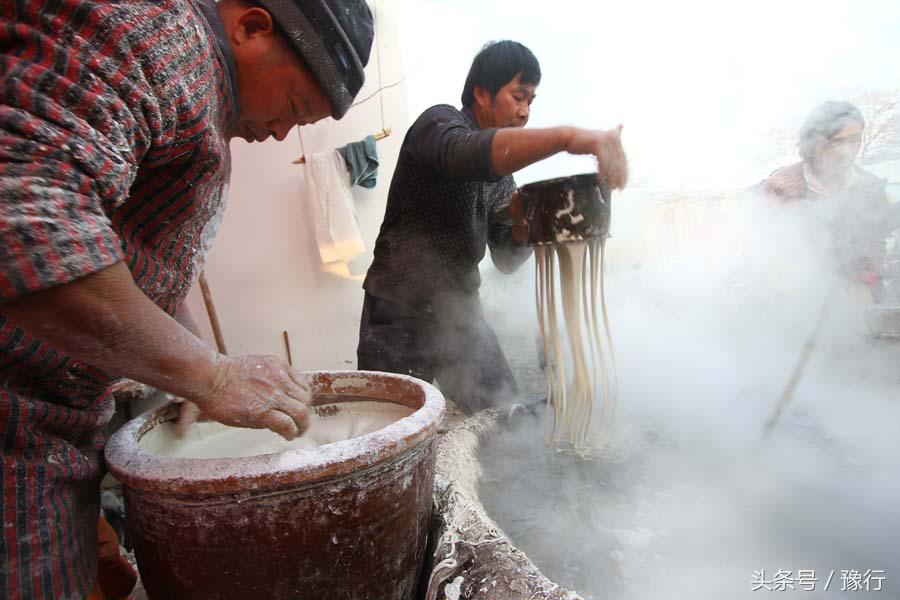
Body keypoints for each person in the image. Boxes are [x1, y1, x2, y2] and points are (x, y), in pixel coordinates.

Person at [0, 0, 373, 597]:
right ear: (252, 26)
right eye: (296, 107)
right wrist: (212, 376)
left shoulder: (199, 92)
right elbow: (28, 224)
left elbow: (139, 270)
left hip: (56, 440)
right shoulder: (158, 34)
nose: (281, 131)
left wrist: (191, 367)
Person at [358, 40, 628, 414]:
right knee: (391, 431)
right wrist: (569, 139)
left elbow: (505, 256)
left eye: (531, 101)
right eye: (518, 96)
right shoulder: (438, 125)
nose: (524, 111)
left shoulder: (503, 177)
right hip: (398, 311)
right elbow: (464, 153)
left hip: (460, 312)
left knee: (505, 417)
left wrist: (522, 222)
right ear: (481, 93)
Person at [755, 101, 897, 296]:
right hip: (794, 296)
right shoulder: (780, 187)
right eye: (837, 142)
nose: (847, 151)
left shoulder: (870, 187)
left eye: (855, 140)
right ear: (813, 142)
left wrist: (867, 276)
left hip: (857, 294)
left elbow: (876, 239)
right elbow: (761, 249)